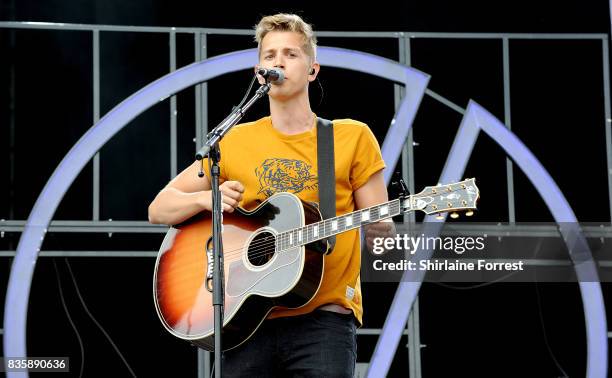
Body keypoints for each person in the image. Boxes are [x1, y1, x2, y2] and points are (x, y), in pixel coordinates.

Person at [148, 13, 390, 377]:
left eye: (291, 54)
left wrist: (380, 230)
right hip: (246, 319)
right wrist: (206, 201)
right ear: (258, 71)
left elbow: (379, 227)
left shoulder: (351, 137)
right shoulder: (234, 140)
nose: (278, 61)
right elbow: (159, 208)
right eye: (269, 55)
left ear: (312, 69)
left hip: (323, 322)